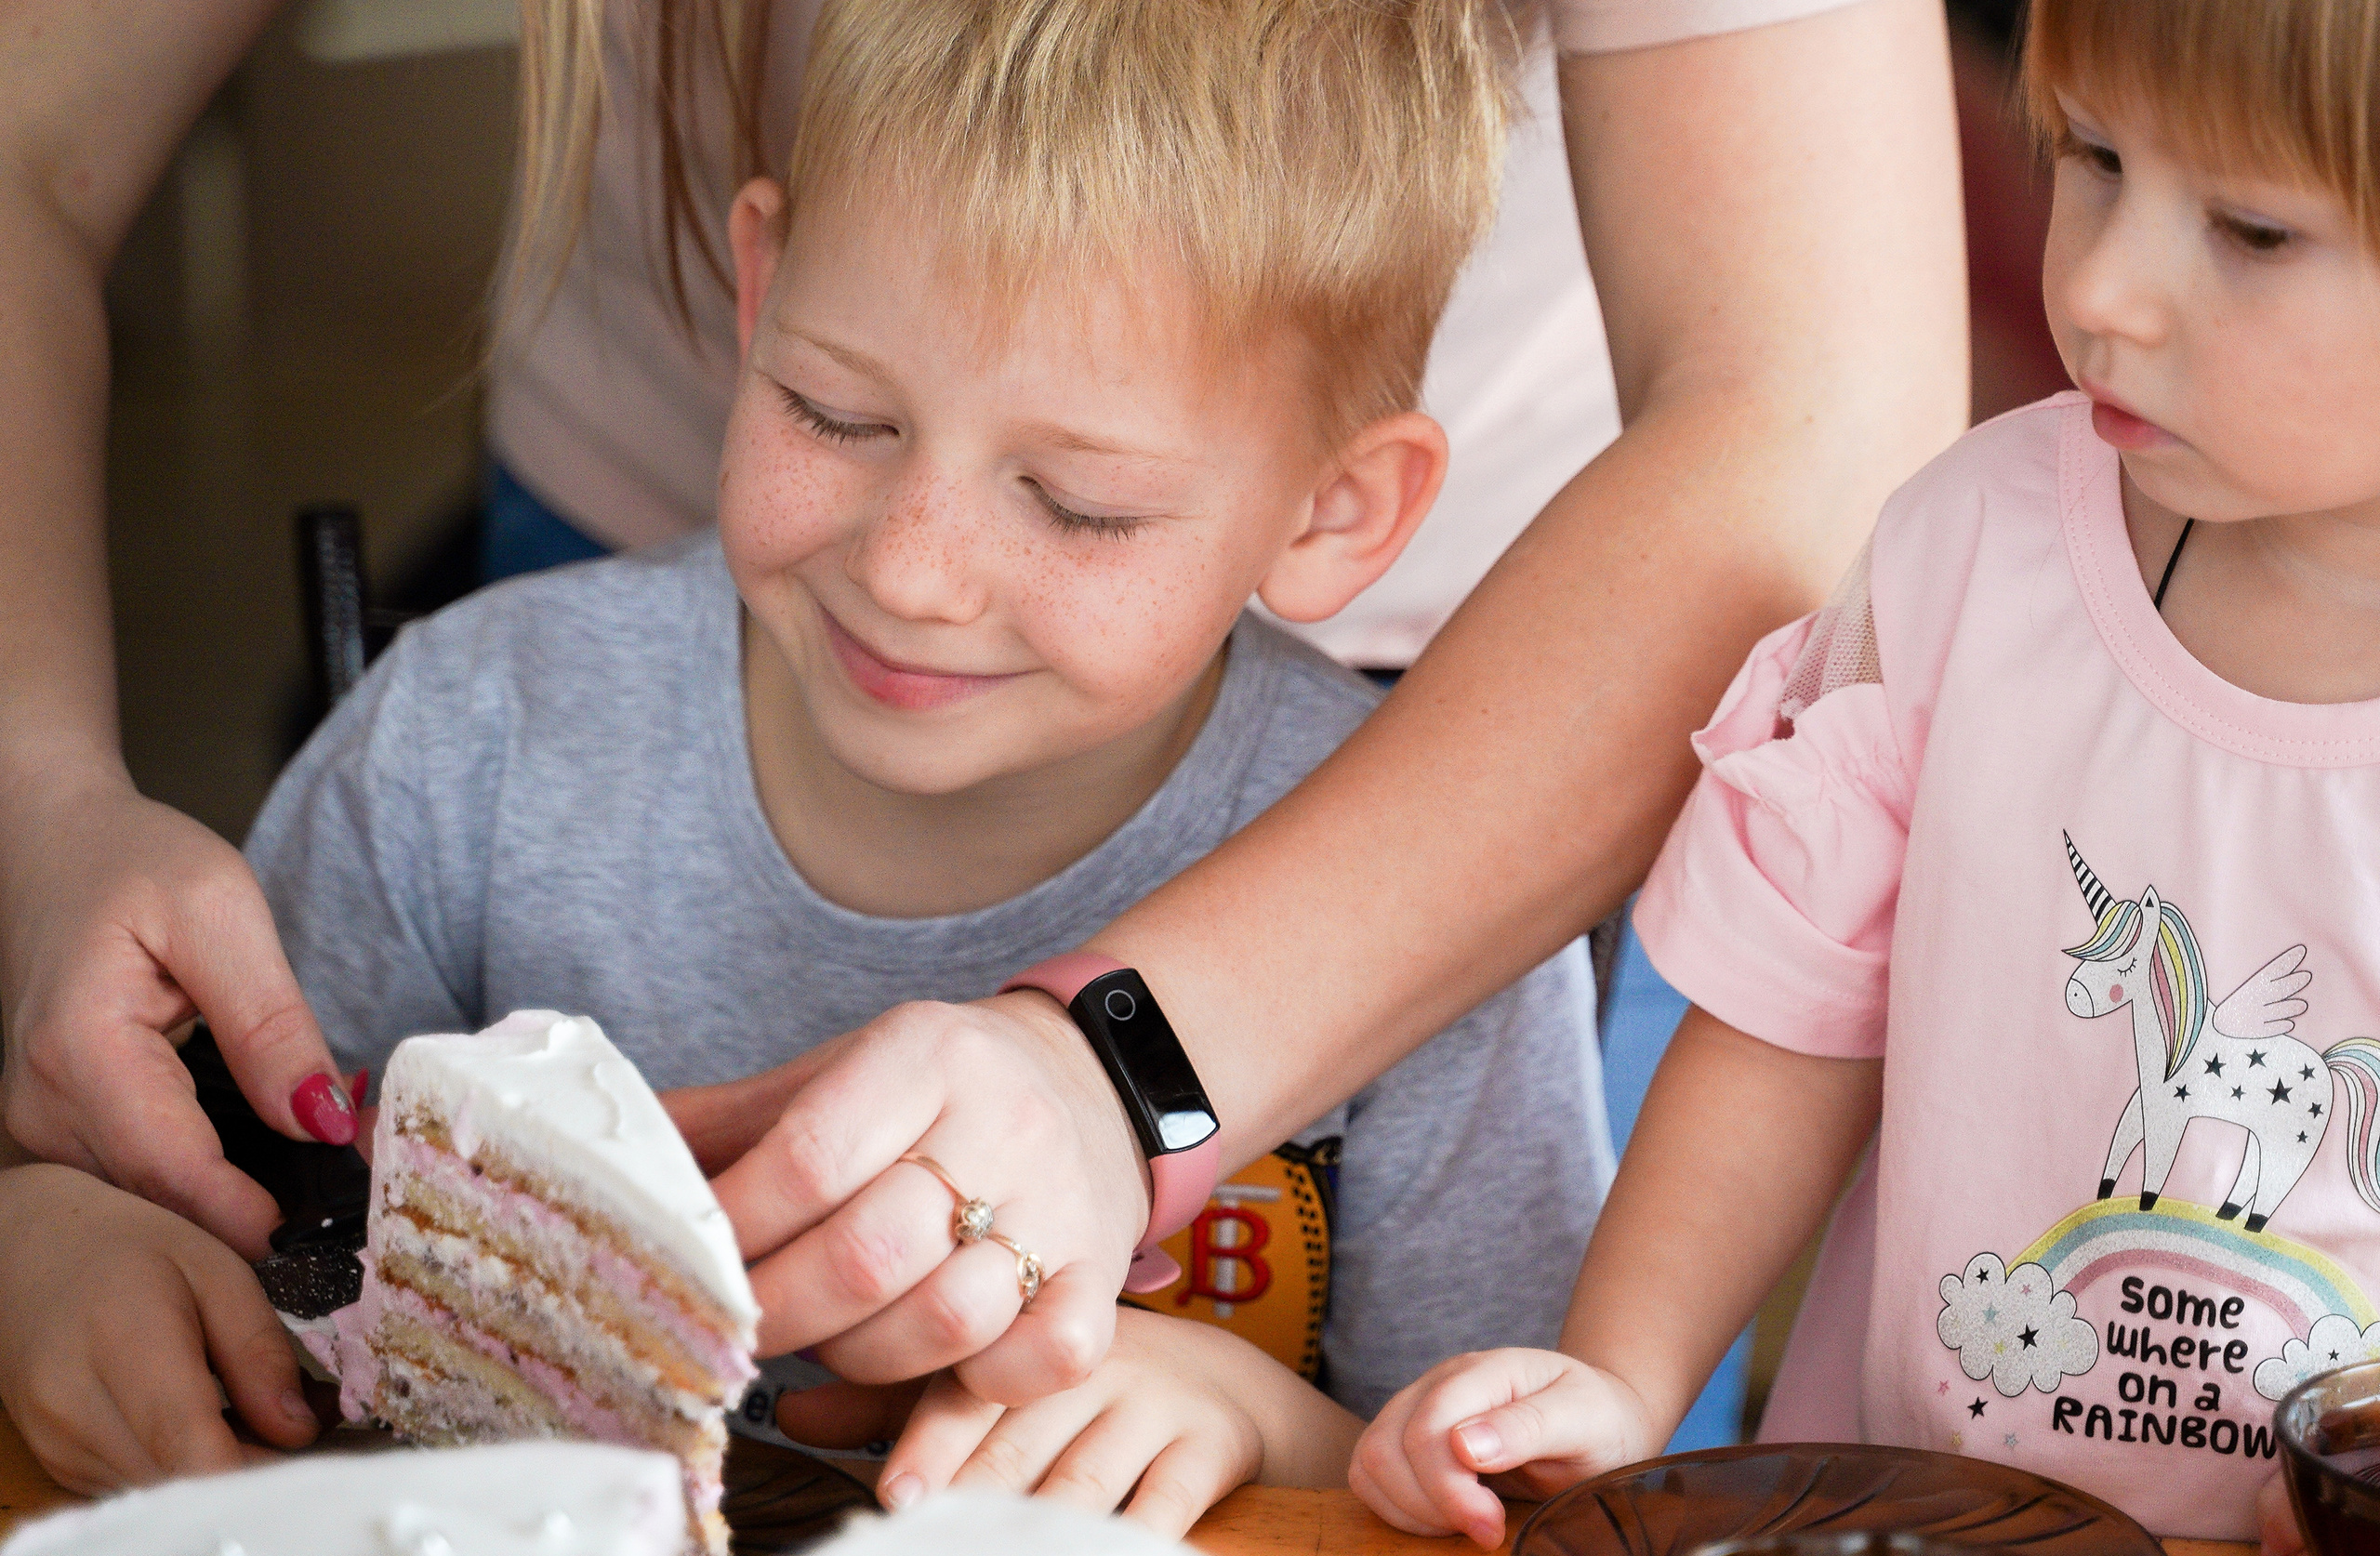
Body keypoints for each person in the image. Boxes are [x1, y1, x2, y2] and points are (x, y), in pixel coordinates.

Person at [0, 0, 1965, 1395]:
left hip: (1492, 714)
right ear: (753, 303)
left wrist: (1231, 1375)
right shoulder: (461, 758)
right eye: (832, 413)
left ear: (1335, 505)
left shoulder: (1446, 984)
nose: (913, 568)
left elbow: (1478, 1443)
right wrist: (57, 1225)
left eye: (1078, 501)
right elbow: (228, 1252)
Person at [1348, 1, 2380, 1556]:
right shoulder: (1968, 551)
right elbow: (1789, 1030)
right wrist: (1624, 1377)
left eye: (2250, 229)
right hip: (1917, 1543)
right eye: (2092, 156)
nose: (2098, 286)